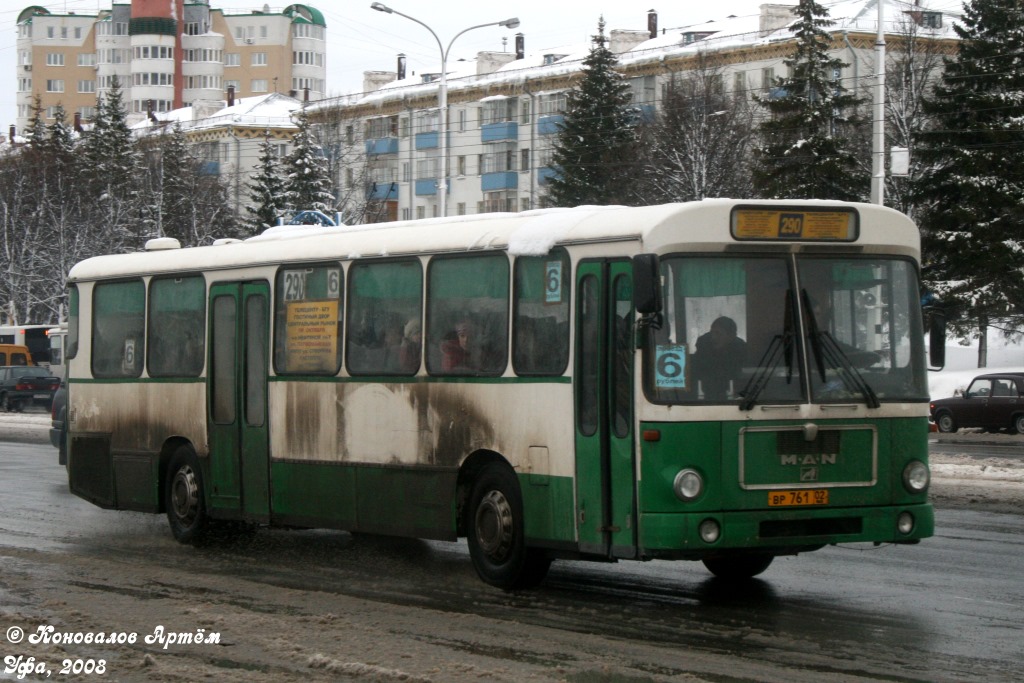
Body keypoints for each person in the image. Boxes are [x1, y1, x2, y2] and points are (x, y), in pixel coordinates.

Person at [692, 316, 747, 400]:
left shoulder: (741, 349)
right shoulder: (703, 348)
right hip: (707, 397)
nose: (713, 337)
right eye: (712, 333)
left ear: (731, 336)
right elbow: (697, 371)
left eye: (718, 333)